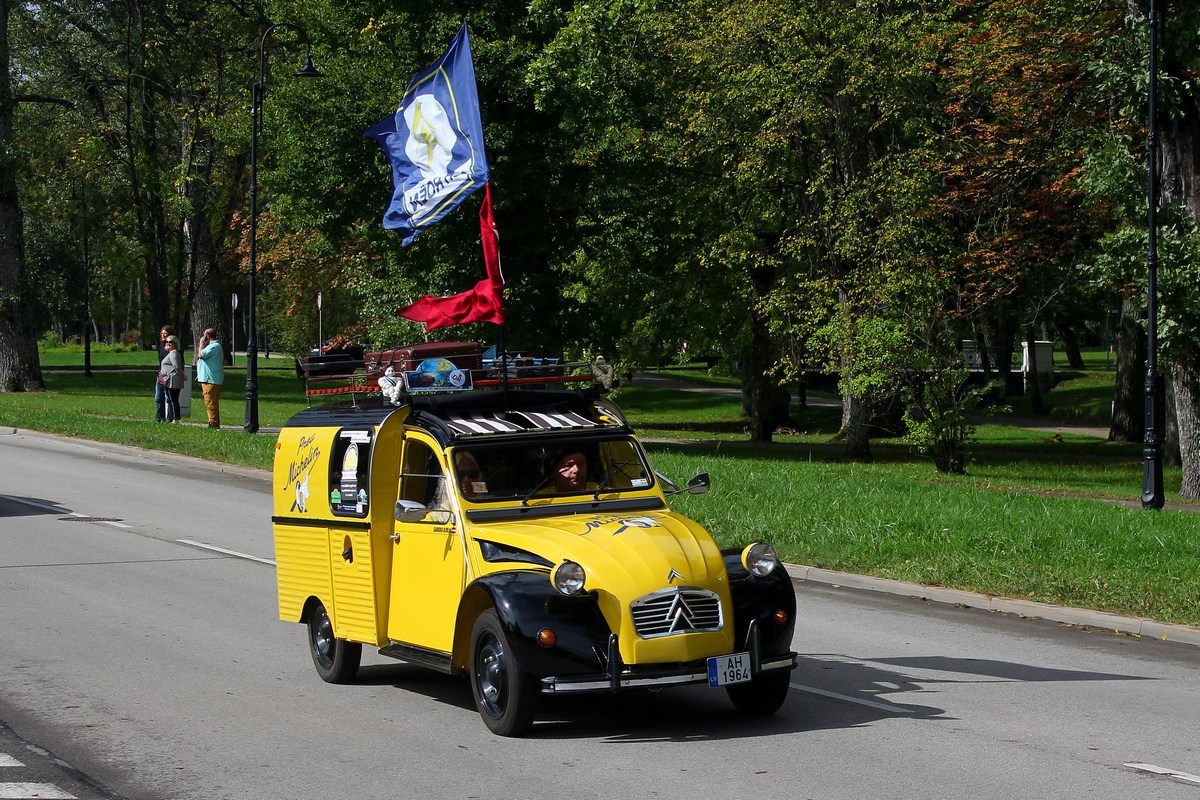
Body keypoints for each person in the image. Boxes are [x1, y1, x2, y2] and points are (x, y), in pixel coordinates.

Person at [195, 328, 225, 429]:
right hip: (208, 379)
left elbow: (201, 355)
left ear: (207, 336)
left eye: (204, 336)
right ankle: (213, 421)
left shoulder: (214, 346)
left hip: (210, 379)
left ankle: (213, 422)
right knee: (210, 401)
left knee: (210, 401)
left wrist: (201, 344)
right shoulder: (214, 347)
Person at [159, 335, 184, 423]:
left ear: (176, 343)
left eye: (171, 342)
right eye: (167, 342)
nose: (168, 344)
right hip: (170, 379)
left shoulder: (174, 353)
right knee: (172, 399)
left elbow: (177, 366)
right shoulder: (172, 353)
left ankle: (176, 418)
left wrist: (181, 374)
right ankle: (175, 418)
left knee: (173, 400)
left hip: (172, 380)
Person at [154, 325, 174, 422]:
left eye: (165, 333)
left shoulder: (173, 348)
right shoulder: (161, 346)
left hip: (169, 376)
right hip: (161, 375)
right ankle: (159, 417)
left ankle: (169, 418)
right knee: (158, 397)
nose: (163, 335)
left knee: (169, 399)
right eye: (162, 333)